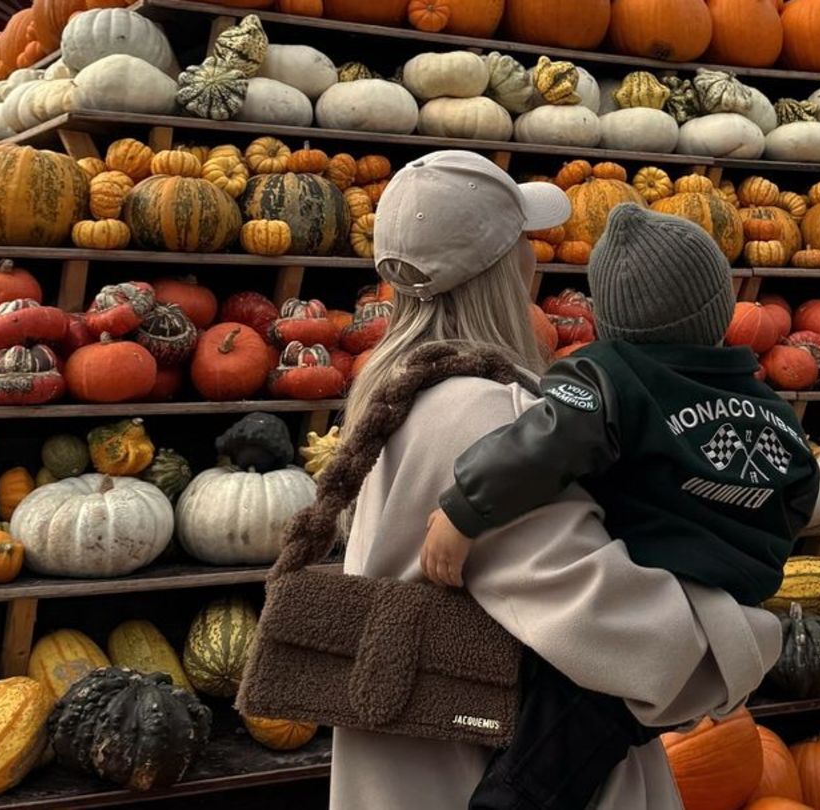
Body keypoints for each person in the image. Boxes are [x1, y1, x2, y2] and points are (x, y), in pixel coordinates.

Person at [238, 151, 781, 810]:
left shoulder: (395, 388)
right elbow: (605, 624)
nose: (535, 258)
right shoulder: (487, 419)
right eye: (524, 242)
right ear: (501, 269)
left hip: (417, 768)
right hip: (489, 773)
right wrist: (747, 638)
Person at [420, 203, 820, 809]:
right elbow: (799, 494)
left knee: (544, 759)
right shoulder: (770, 407)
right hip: (718, 619)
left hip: (643, 615)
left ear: (607, 320)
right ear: (720, 312)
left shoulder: (609, 376)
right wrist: (750, 557)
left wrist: (465, 508)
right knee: (594, 744)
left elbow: (544, 442)